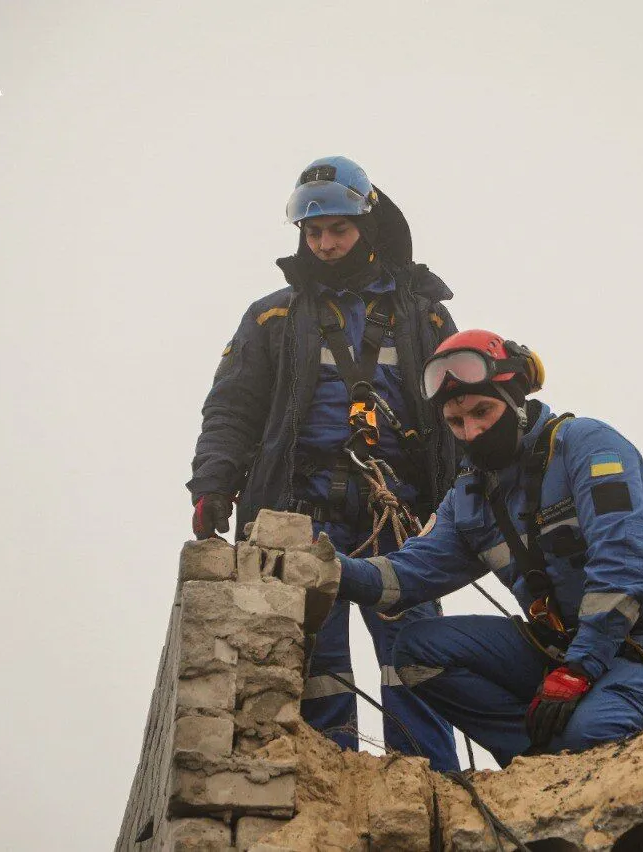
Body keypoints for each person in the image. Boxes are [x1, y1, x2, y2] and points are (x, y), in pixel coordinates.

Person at [334, 330, 643, 766]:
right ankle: (535, 759)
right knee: (416, 649)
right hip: (564, 652)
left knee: (593, 734)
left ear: (515, 400)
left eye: (483, 411)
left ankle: (572, 740)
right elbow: (402, 577)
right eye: (457, 423)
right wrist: (329, 570)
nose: (473, 431)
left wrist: (578, 670)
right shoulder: (469, 498)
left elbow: (627, 568)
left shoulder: (587, 446)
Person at [188, 155, 460, 771]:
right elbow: (231, 408)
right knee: (315, 663)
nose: (326, 244)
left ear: (365, 224)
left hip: (401, 517)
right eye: (313, 233)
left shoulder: (425, 314)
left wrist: (473, 503)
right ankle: (327, 786)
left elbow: (461, 413)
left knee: (416, 654)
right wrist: (213, 485)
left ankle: (429, 784)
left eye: (337, 228)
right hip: (301, 511)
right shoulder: (272, 316)